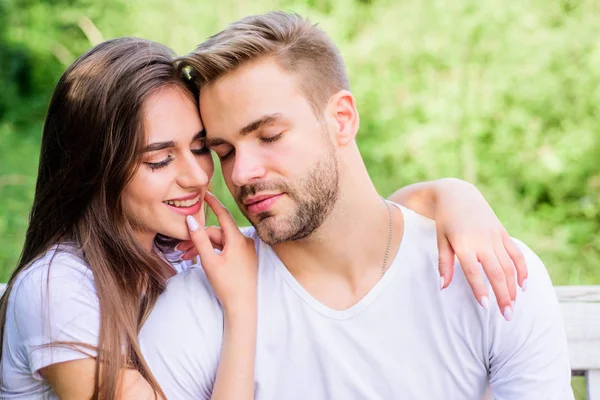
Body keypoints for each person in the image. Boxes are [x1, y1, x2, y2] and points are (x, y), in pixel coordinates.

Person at [0, 35, 525, 398]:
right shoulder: (57, 289)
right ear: (94, 170)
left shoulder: (170, 249)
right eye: (159, 160)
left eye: (203, 148)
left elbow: (345, 217)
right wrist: (242, 306)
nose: (196, 177)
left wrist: (447, 196)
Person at [139, 11, 573, 399]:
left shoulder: (487, 271)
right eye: (225, 151)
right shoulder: (202, 301)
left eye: (269, 136)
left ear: (341, 119)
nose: (241, 173)